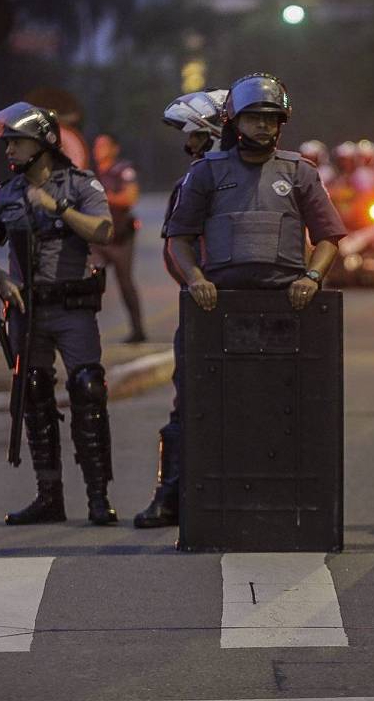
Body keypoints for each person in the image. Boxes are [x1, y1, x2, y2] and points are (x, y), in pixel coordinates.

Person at [0, 102, 118, 525]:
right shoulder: (6, 195)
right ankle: (49, 496)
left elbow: (104, 230)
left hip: (72, 308)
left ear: (43, 144)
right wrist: (0, 276)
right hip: (27, 310)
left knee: (88, 388)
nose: (9, 151)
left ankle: (97, 497)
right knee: (33, 392)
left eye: (16, 142)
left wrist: (59, 209)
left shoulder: (81, 186)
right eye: (8, 143)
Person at [165, 71, 347, 315]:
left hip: (289, 301)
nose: (262, 125)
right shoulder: (205, 172)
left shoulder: (300, 172)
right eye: (252, 118)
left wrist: (311, 278)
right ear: (235, 121)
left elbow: (329, 237)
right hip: (219, 301)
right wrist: (195, 279)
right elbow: (178, 238)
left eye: (270, 118)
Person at [134, 88, 227, 528]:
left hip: (260, 307)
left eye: (192, 135)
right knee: (187, 403)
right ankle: (170, 496)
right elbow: (177, 250)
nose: (187, 145)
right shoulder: (192, 181)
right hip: (203, 308)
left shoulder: (270, 177)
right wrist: (198, 285)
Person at [91, 133, 147, 343]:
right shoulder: (91, 174)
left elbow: (130, 197)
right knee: (89, 282)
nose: (99, 150)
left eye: (104, 145)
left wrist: (103, 197)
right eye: (97, 146)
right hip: (98, 239)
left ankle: (138, 330)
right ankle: (85, 331)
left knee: (125, 284)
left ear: (115, 148)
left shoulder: (123, 170)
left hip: (121, 238)